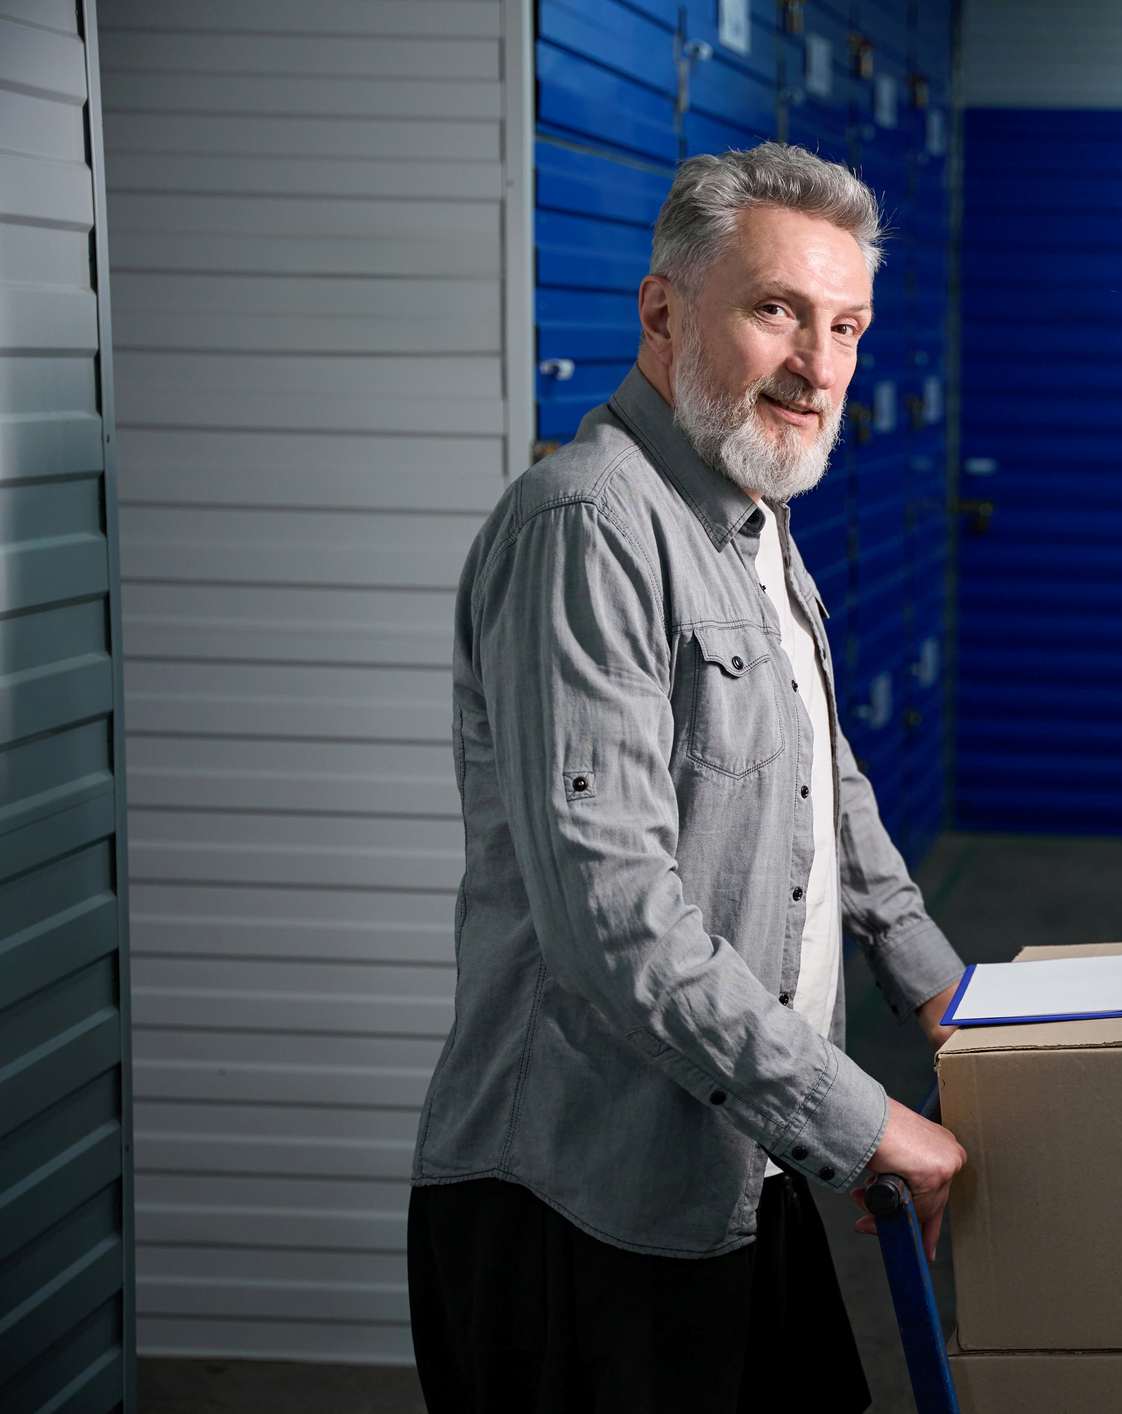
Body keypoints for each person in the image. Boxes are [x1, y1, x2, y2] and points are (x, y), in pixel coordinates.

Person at [406, 142, 968, 1413]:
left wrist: (938, 987)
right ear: (664, 311)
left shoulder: (749, 514)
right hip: (580, 1200)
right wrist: (860, 1117)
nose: (820, 368)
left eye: (848, 326)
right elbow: (615, 920)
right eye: (778, 312)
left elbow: (828, 781)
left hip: (739, 1155)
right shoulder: (588, 528)